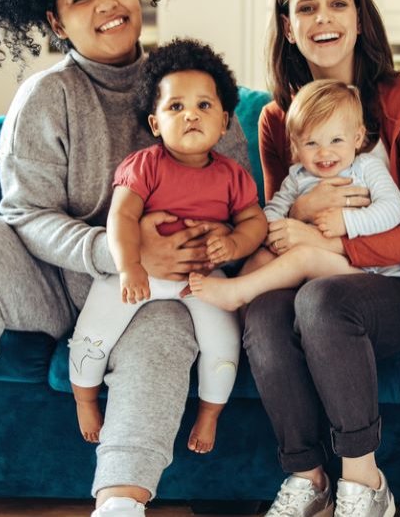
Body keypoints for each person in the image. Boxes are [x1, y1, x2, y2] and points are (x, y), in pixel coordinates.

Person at [0, 0, 250, 517]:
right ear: (55, 22)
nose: (106, 4)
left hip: (153, 296)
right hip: (55, 283)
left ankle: (121, 501)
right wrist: (116, 249)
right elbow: (25, 216)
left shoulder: (192, 91)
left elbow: (238, 200)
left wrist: (194, 250)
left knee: (170, 326)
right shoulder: (45, 97)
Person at [244, 0, 400, 517]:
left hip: (397, 290)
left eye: (337, 3)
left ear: (359, 18)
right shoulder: (276, 118)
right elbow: (277, 224)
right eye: (305, 8)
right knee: (263, 313)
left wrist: (336, 245)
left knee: (323, 299)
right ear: (289, 26)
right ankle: (309, 481)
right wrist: (306, 210)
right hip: (316, 272)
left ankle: (364, 484)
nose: (322, 18)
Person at [69, 38, 266, 454]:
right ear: (156, 123)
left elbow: (254, 222)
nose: (191, 114)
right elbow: (121, 218)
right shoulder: (145, 165)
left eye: (204, 106)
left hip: (201, 276)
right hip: (141, 270)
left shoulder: (232, 176)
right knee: (95, 328)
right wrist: (128, 267)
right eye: (175, 106)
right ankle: (85, 398)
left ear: (225, 122)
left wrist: (232, 244)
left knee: (223, 338)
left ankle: (209, 414)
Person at [188, 79, 400, 310]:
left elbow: (393, 208)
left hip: (365, 268)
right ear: (296, 145)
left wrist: (347, 221)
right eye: (311, 143)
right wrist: (283, 227)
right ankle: (241, 323)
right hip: (317, 264)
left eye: (336, 140)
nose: (324, 152)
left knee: (304, 256)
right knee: (262, 258)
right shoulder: (297, 177)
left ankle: (236, 293)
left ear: (358, 138)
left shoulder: (366, 167)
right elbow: (270, 215)